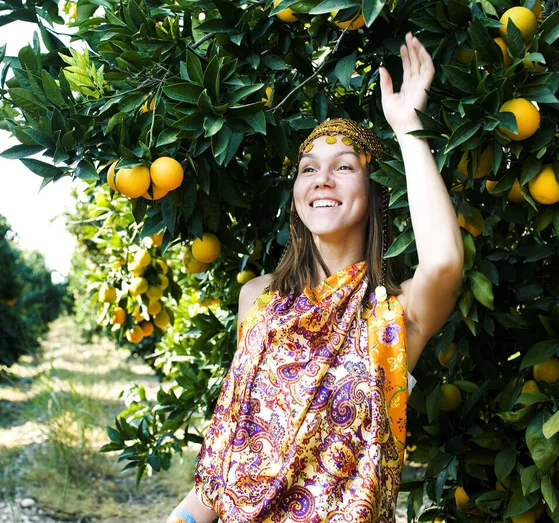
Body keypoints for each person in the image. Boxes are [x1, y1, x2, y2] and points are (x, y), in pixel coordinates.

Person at [166, 32, 464, 523]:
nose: (322, 179)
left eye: (344, 167)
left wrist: (409, 127)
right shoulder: (257, 299)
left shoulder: (396, 314)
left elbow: (444, 263)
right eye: (308, 169)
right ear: (297, 194)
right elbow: (229, 459)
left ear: (372, 192)